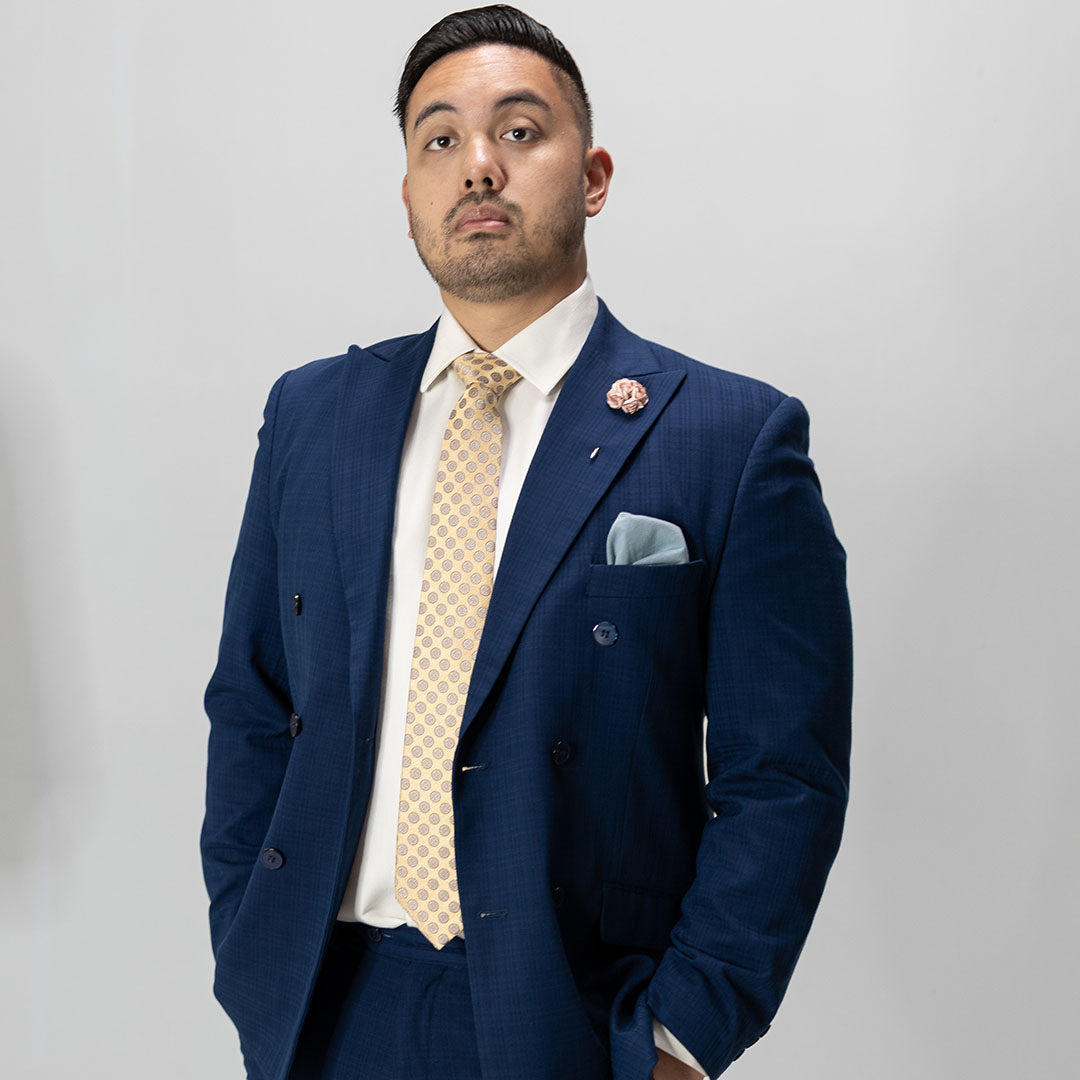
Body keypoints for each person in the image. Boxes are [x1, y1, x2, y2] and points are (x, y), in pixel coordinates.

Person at [199, 6, 853, 1080]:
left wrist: (682, 1035)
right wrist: (246, 936)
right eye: (440, 139)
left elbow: (782, 775)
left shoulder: (729, 437)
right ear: (407, 194)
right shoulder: (314, 416)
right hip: (321, 1004)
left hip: (573, 1017)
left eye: (520, 130)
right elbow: (253, 699)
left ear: (592, 176)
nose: (478, 168)